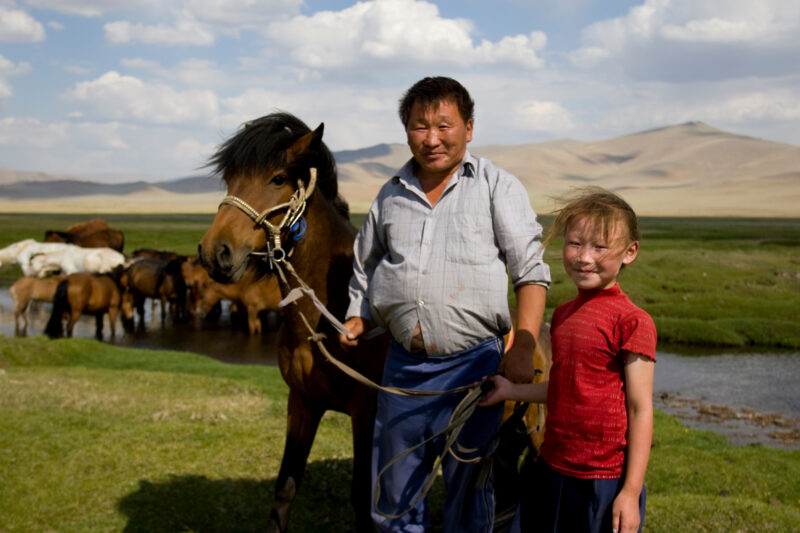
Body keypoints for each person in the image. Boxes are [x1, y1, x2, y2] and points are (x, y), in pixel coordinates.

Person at [339, 76, 551, 532]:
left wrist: (521, 346)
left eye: (444, 125)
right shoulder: (390, 193)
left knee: (469, 491)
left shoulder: (497, 186)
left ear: (468, 129)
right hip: (403, 370)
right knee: (394, 492)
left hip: (474, 369)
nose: (431, 139)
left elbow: (530, 271)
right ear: (406, 131)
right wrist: (358, 314)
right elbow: (366, 262)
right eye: (419, 127)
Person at [480, 187, 657, 533]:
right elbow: (563, 387)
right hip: (551, 466)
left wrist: (630, 491)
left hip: (602, 479)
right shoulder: (562, 315)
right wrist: (509, 390)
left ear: (630, 252)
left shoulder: (633, 322)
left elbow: (640, 408)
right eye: (575, 243)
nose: (584, 257)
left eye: (599, 247)